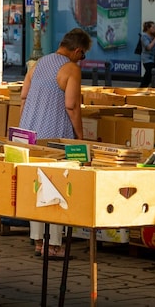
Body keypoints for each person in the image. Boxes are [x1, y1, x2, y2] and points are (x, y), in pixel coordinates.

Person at [18, 27, 91, 259]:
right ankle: (54, 245)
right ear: (77, 51)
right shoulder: (71, 69)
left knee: (36, 186)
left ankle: (39, 241)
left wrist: (21, 129)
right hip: (55, 135)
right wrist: (80, 136)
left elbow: (23, 97)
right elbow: (72, 106)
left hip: (30, 132)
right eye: (83, 55)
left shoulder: (37, 64)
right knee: (57, 186)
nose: (82, 60)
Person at [138, 21, 155, 88]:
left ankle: (143, 88)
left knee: (149, 75)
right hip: (147, 59)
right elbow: (148, 47)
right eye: (152, 27)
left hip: (152, 59)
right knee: (150, 73)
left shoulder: (152, 36)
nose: (154, 29)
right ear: (148, 28)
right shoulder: (144, 36)